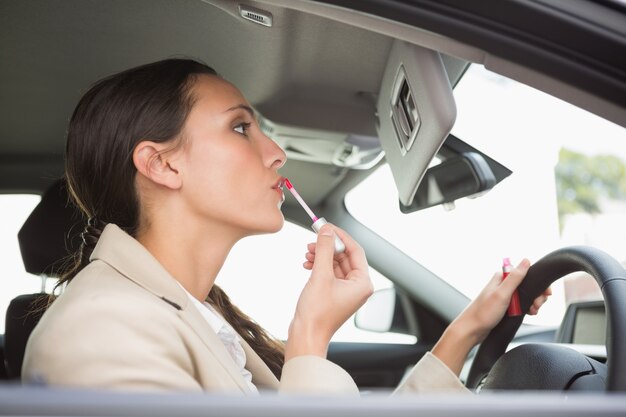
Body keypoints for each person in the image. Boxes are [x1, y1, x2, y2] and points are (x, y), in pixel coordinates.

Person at [22, 58, 550, 394]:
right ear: (162, 165)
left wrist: (467, 329)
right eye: (240, 127)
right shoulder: (102, 332)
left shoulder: (191, 314)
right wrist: (309, 337)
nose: (275, 154)